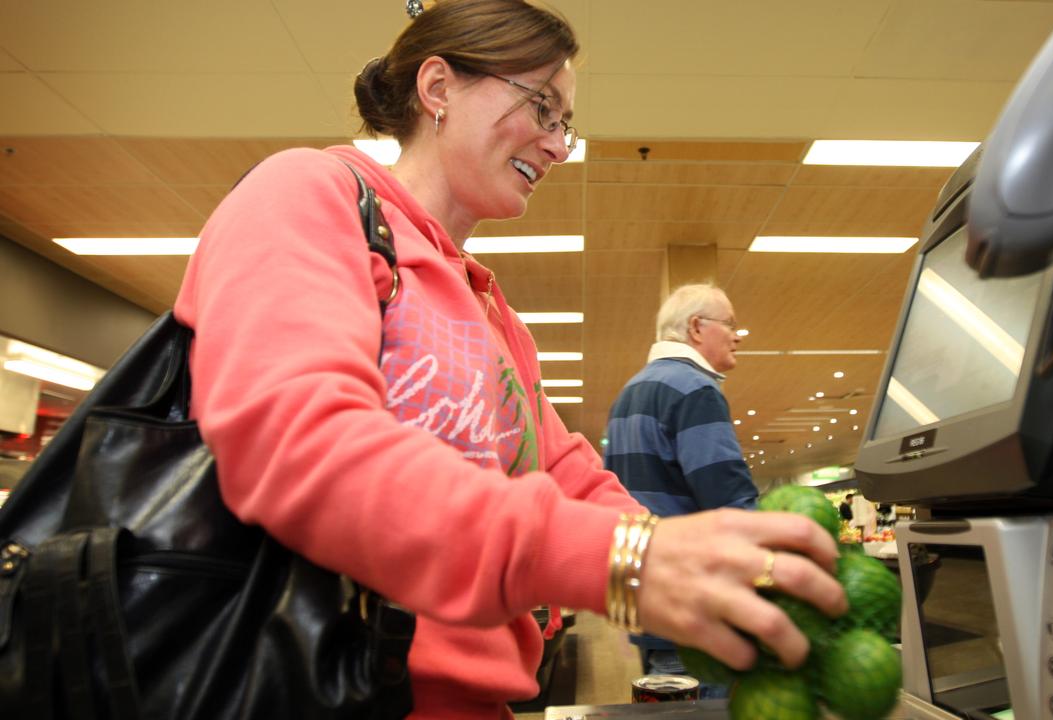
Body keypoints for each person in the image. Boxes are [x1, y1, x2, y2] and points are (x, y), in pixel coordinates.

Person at [172, 1, 846, 718]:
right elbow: (297, 443)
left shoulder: (492, 311)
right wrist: (621, 564)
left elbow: (564, 473)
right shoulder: (311, 193)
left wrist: (700, 557)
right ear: (438, 88)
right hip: (323, 688)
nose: (558, 145)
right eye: (542, 108)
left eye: (566, 124)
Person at [604, 284, 759, 687]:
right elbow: (728, 501)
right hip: (696, 610)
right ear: (696, 327)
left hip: (651, 604)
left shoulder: (631, 393)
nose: (737, 335)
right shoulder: (694, 390)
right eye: (731, 325)